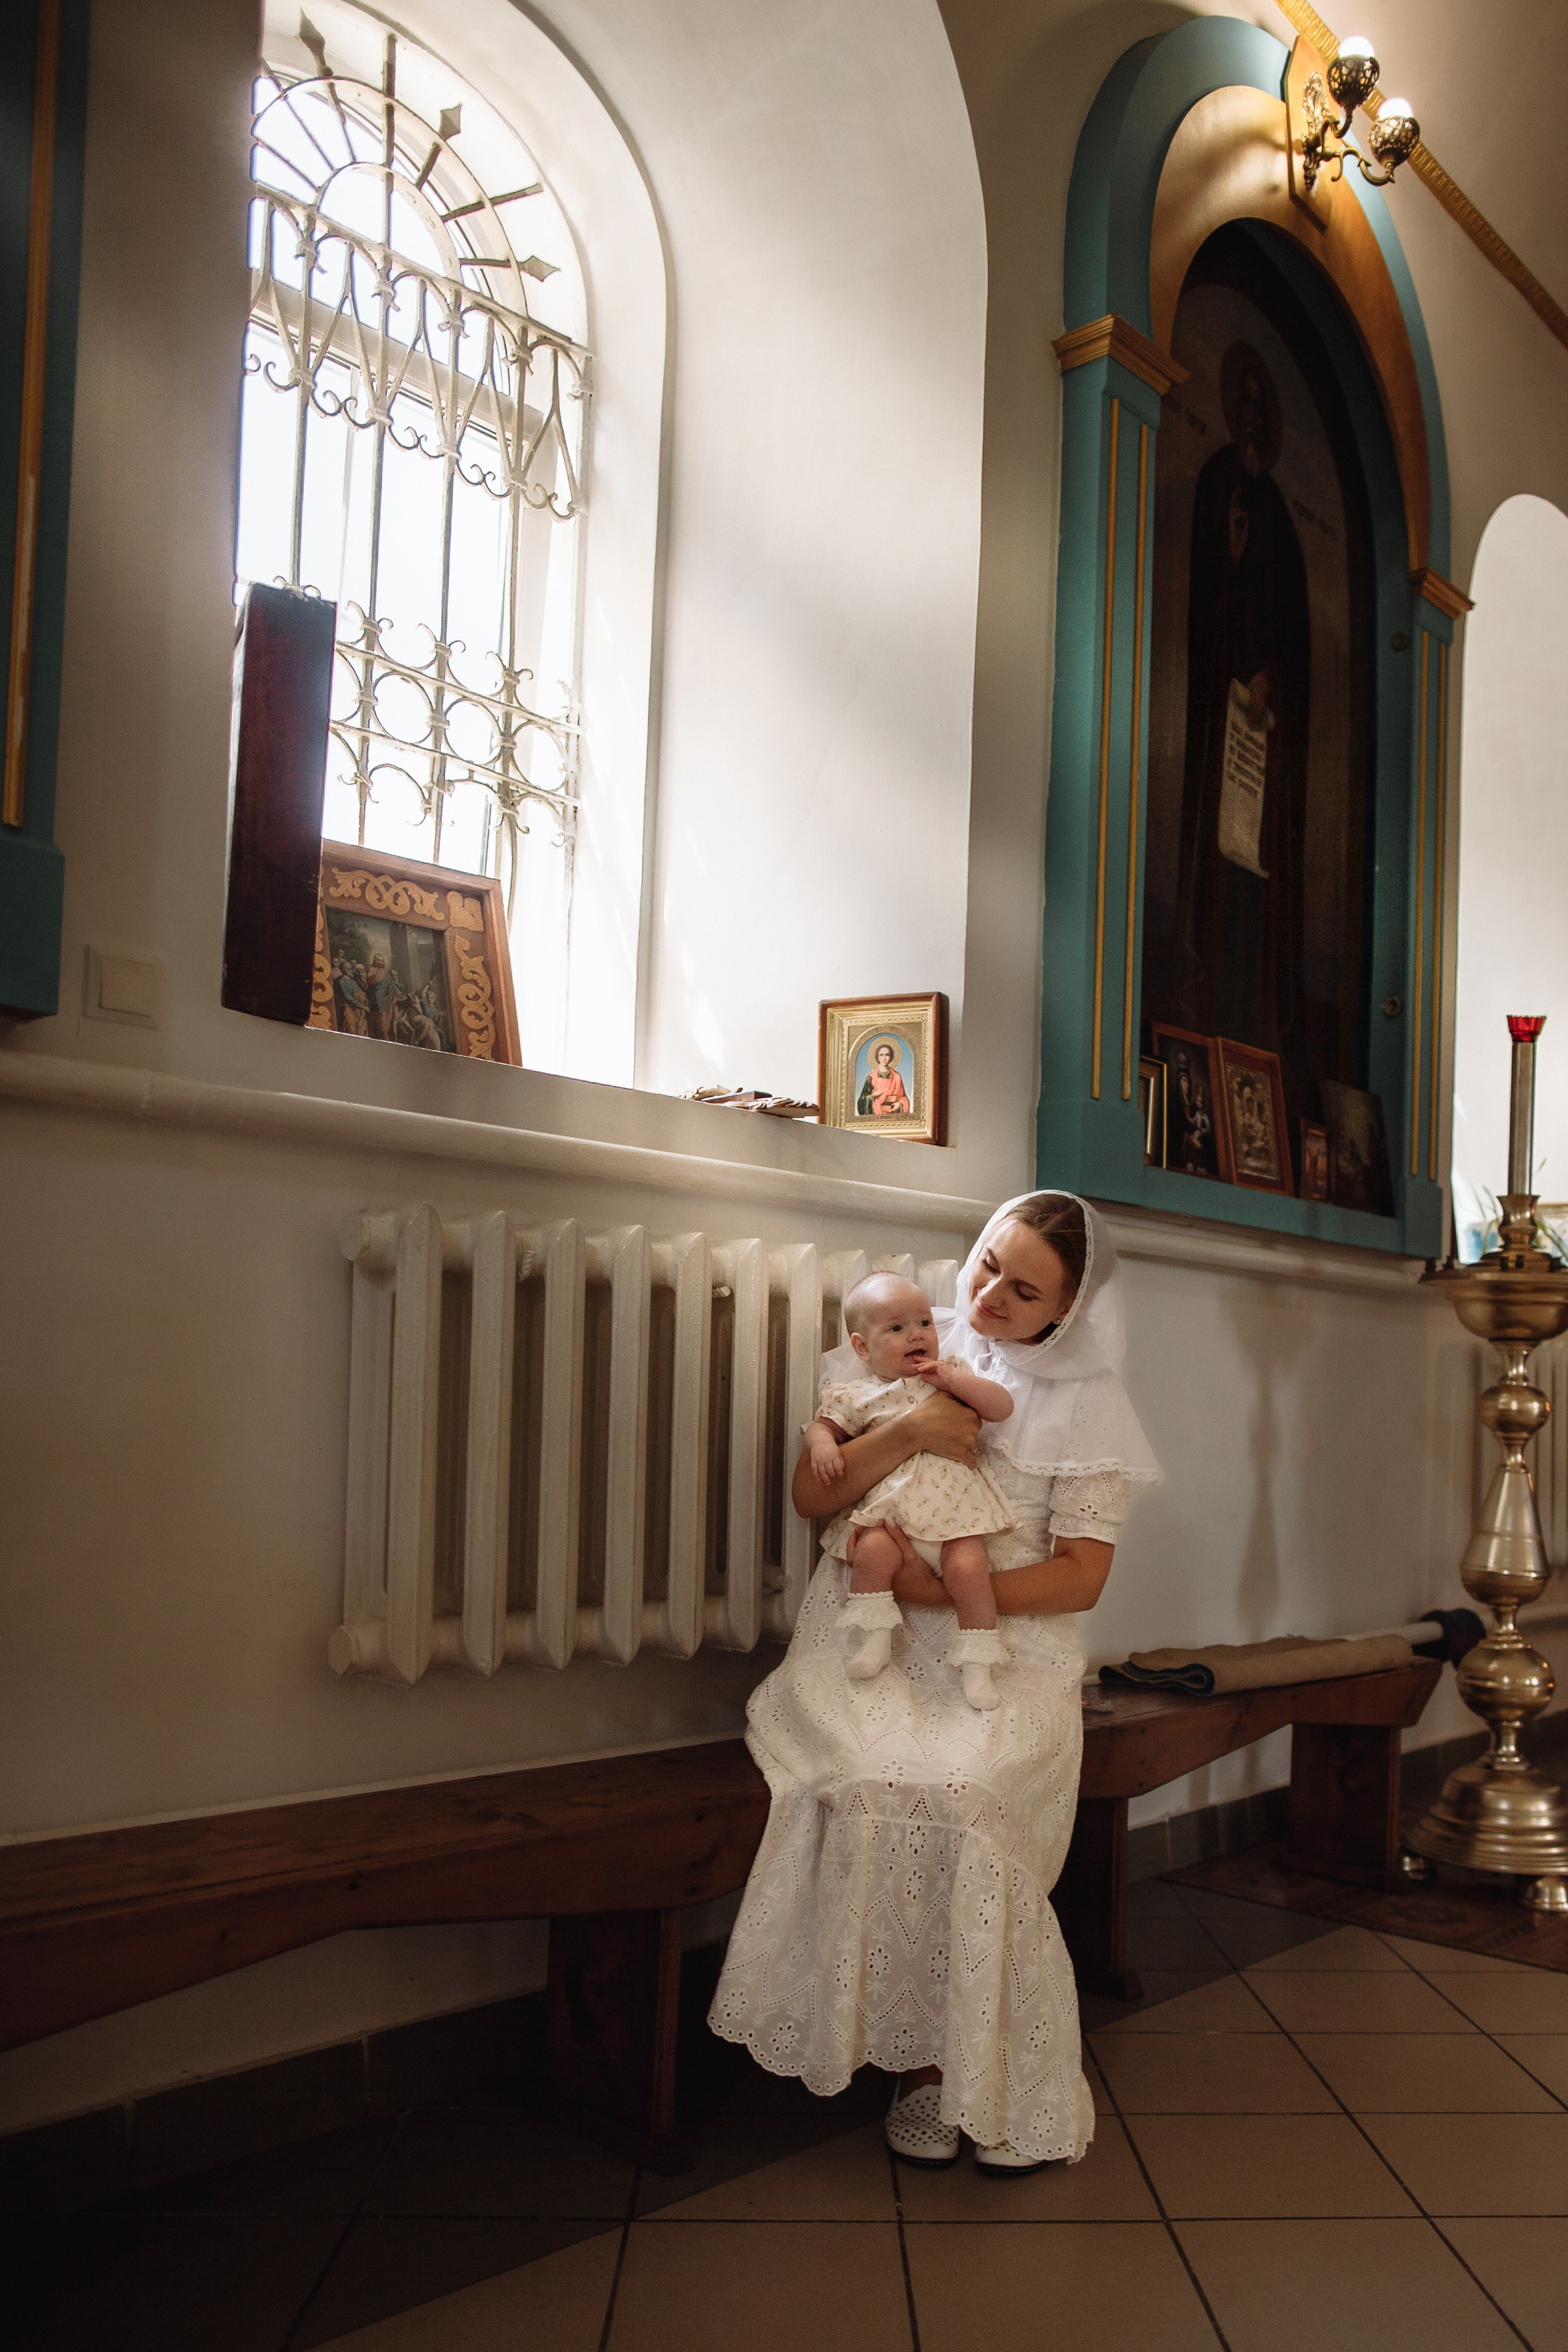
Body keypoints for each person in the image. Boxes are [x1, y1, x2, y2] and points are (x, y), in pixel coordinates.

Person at [709, 1192, 1160, 2174]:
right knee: (875, 1781)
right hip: (871, 1633)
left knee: (971, 1795)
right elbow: (809, 1494)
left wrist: (945, 1589)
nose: (990, 1294)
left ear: (1068, 1311)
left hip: (1004, 1644)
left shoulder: (1090, 1404)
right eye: (990, 1264)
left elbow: (1082, 1574)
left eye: (1024, 1288)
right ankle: (917, 2069)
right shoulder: (916, 1335)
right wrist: (911, 1433)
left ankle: (991, 2072)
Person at [803, 1271, 1017, 1708]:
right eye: (897, 1328)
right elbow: (821, 1427)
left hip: (957, 1515)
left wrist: (955, 1382)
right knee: (871, 1552)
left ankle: (978, 1664)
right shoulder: (854, 1394)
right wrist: (823, 1443)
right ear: (862, 1347)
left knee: (971, 1571)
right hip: (891, 1515)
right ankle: (875, 1638)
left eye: (923, 1323)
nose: (917, 1335)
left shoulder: (951, 1376)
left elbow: (1001, 1407)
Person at [857, 1039, 911, 1118]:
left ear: (891, 1056)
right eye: (881, 1055)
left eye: (887, 1055)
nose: (884, 1058)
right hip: (875, 1116)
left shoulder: (897, 1077)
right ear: (877, 1057)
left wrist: (899, 1104)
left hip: (892, 1116)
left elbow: (903, 1098)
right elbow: (862, 1102)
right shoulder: (871, 1078)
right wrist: (873, 1096)